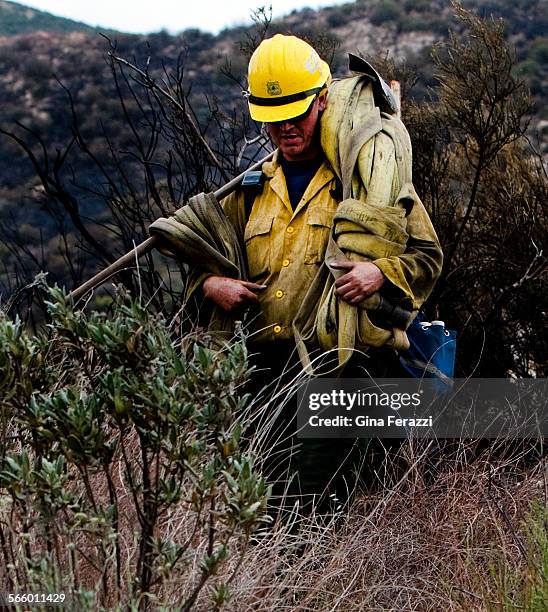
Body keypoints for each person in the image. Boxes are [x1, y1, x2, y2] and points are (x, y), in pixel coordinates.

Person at [194, 34, 443, 510]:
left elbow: (427, 258)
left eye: (297, 114)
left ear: (323, 101)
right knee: (258, 506)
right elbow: (206, 261)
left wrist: (378, 274)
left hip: (341, 369)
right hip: (264, 376)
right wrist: (212, 284)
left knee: (312, 508)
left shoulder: (364, 181)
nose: (286, 129)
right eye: (273, 119)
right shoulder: (250, 191)